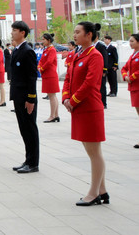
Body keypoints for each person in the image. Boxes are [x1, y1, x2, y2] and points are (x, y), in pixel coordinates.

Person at [63, 22, 108, 206]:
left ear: (89, 35)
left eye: (78, 32)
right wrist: (66, 97)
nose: (74, 35)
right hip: (78, 108)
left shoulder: (95, 55)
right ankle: (102, 191)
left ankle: (94, 193)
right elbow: (68, 78)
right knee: (91, 151)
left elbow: (90, 84)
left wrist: (72, 101)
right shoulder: (76, 54)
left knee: (94, 152)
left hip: (89, 108)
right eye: (74, 32)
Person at [9, 21, 40, 173]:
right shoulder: (16, 50)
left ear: (22, 32)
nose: (12, 33)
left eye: (14, 30)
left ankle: (33, 162)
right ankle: (28, 159)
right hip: (18, 96)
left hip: (26, 97)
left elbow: (32, 77)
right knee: (24, 129)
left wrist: (31, 99)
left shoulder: (27, 51)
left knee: (30, 129)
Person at [121, 33, 139, 148]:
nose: (130, 43)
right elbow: (124, 68)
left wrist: (131, 77)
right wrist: (125, 76)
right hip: (134, 88)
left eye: (132, 41)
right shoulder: (133, 55)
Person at [39, 33, 60, 123]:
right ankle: (55, 115)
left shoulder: (51, 50)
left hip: (50, 74)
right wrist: (39, 66)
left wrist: (42, 68)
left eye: (44, 39)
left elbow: (49, 61)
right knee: (52, 96)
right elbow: (41, 60)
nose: (42, 41)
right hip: (46, 74)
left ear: (49, 40)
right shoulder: (46, 49)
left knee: (52, 96)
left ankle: (53, 115)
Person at [93, 31, 110, 109]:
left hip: (101, 70)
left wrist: (104, 70)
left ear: (96, 37)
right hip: (94, 70)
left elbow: (105, 57)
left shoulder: (101, 46)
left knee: (102, 86)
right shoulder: (92, 45)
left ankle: (104, 103)